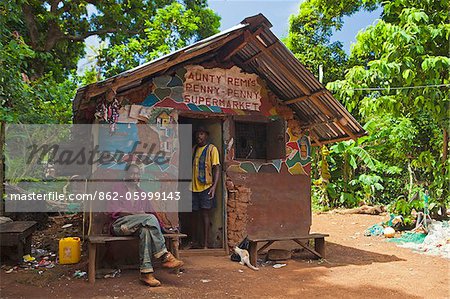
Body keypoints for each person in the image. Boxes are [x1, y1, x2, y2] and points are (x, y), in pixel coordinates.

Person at [110, 164, 183, 287]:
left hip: (137, 226)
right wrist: (135, 213)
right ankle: (164, 255)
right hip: (120, 225)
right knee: (148, 219)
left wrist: (162, 228)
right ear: (126, 175)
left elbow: (152, 214)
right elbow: (113, 211)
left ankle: (146, 273)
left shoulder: (141, 193)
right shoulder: (117, 189)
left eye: (137, 174)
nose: (135, 176)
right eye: (132, 173)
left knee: (145, 230)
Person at [191, 126, 220, 249]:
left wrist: (214, 187)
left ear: (206, 135)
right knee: (195, 216)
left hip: (206, 187)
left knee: (205, 215)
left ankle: (206, 244)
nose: (199, 136)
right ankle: (197, 241)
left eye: (202, 134)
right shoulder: (195, 149)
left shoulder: (212, 149)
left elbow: (217, 168)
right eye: (198, 134)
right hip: (193, 187)